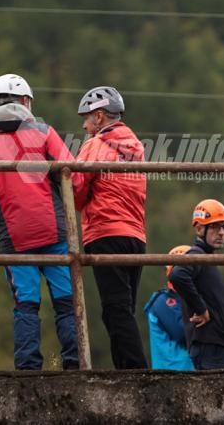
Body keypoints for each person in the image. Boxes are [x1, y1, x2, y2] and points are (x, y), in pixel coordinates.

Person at [0, 74, 81, 370]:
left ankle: (28, 369)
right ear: (25, 101)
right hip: (54, 229)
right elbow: (72, 173)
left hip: (14, 236)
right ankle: (75, 363)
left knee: (26, 304)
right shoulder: (44, 131)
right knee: (67, 302)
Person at [73, 86, 148, 369]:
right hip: (136, 236)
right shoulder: (136, 147)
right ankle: (127, 370)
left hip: (105, 233)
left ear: (101, 116)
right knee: (122, 309)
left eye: (88, 118)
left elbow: (77, 189)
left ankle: (135, 373)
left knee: (115, 310)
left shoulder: (95, 146)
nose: (84, 125)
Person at [168, 200, 224, 370]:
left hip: (220, 345)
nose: (221, 232)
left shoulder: (206, 258)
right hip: (211, 346)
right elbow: (177, 275)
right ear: (199, 229)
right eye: (215, 227)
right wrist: (201, 309)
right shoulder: (197, 254)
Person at [143, 245, 194, 371]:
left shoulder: (186, 299)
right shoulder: (163, 301)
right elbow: (182, 333)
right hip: (173, 373)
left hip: (188, 370)